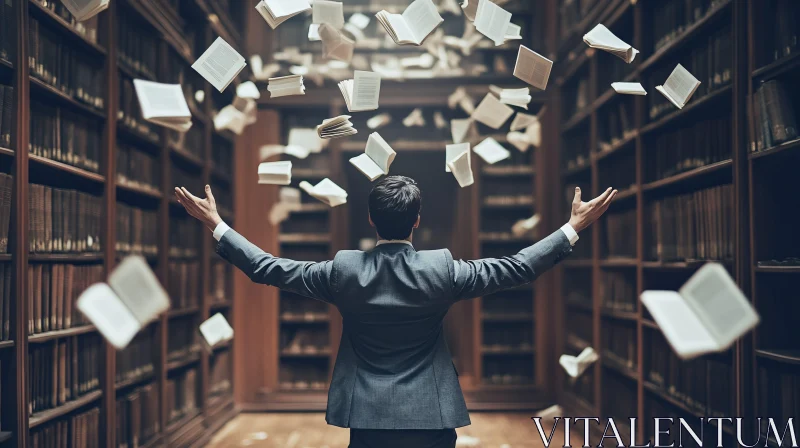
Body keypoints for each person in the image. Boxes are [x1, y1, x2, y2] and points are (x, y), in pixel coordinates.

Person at [174, 176, 616, 448]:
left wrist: (217, 223)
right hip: (432, 414)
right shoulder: (441, 269)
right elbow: (516, 268)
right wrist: (571, 228)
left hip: (367, 414)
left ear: (370, 219)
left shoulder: (344, 271)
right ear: (417, 220)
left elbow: (267, 267)